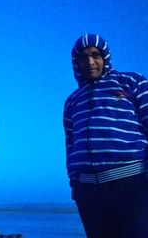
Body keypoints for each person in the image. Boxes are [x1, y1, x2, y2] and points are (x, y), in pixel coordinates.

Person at [63, 33, 148, 237]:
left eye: (95, 55)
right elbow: (70, 145)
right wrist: (76, 185)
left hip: (133, 183)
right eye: (83, 57)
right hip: (89, 191)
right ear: (76, 63)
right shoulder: (72, 101)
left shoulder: (130, 82)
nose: (90, 61)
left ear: (105, 58)